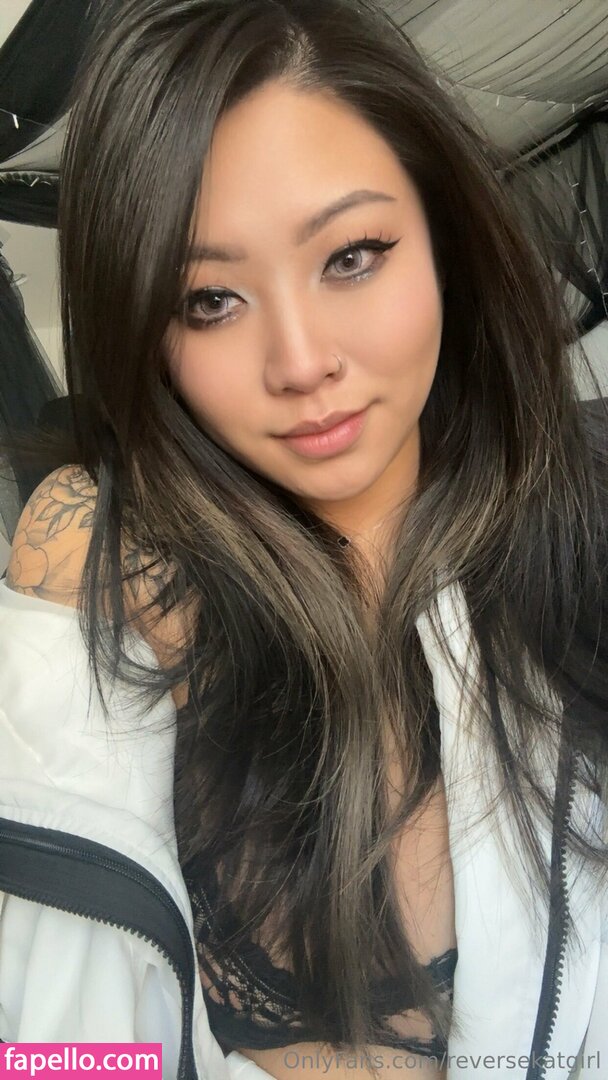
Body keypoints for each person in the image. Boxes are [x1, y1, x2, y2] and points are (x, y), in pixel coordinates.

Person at [0, 0, 607, 1077]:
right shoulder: (94, 555)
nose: (299, 361)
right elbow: (55, 1050)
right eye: (208, 300)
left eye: (352, 255)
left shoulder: (576, 522)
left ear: (446, 239)